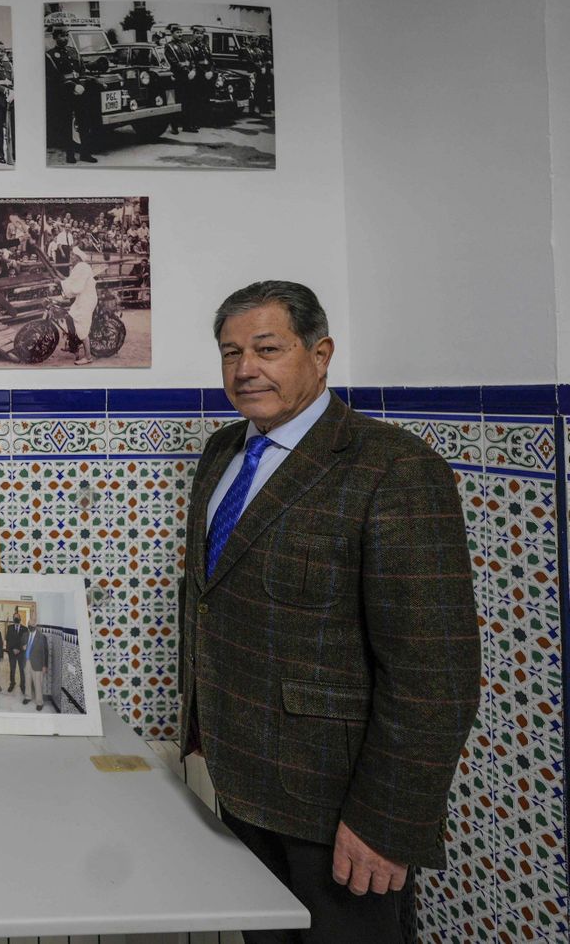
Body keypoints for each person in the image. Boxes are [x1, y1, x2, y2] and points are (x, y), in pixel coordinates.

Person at [181, 281, 479, 943]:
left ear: (320, 355)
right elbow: (209, 598)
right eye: (231, 353)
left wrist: (386, 824)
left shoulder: (394, 468)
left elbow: (435, 675)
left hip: (337, 807)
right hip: (240, 781)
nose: (245, 369)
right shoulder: (223, 452)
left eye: (267, 349)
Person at [45, 25, 96, 163]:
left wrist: (82, 85)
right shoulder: (50, 55)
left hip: (80, 91)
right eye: (61, 36)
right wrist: (73, 86)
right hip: (64, 94)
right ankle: (70, 154)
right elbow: (54, 77)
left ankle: (85, 153)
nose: (65, 38)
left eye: (66, 35)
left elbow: (82, 70)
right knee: (66, 124)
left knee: (84, 122)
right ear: (55, 38)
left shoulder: (74, 52)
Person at [60, 252, 99, 365]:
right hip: (82, 298)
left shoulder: (82, 267)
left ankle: (88, 357)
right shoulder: (78, 267)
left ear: (78, 257)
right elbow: (71, 282)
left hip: (87, 299)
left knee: (82, 326)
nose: (70, 257)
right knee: (70, 317)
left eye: (72, 256)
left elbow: (77, 287)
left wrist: (62, 285)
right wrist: (64, 286)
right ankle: (74, 345)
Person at [22, 625, 49, 709]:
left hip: (37, 663)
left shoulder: (42, 637)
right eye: (29, 624)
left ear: (36, 626)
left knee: (38, 683)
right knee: (27, 681)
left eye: (33, 624)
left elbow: (45, 652)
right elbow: (21, 644)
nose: (31, 626)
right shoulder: (25, 635)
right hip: (26, 662)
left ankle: (39, 702)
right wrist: (22, 647)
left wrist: (45, 665)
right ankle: (28, 697)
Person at [5, 612, 28, 696]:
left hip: (21, 653)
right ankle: (12, 683)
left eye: (18, 617)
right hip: (12, 653)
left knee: (22, 670)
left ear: (20, 618)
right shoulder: (9, 627)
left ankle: (22, 685)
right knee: (12, 669)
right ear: (13, 618)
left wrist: (19, 649)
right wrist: (12, 649)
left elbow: (25, 641)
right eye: (15, 617)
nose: (16, 618)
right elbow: (8, 640)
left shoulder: (25, 629)